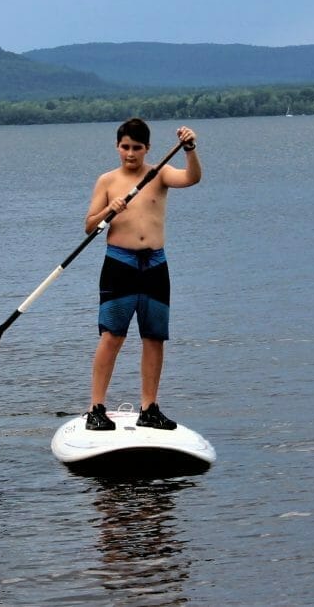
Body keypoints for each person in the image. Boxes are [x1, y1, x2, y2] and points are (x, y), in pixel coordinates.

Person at [83, 118, 202, 431]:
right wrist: (111, 211)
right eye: (125, 147)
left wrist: (189, 150)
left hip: (155, 266)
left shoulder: (159, 173)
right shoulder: (107, 181)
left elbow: (192, 178)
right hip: (119, 265)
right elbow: (89, 226)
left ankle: (149, 408)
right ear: (117, 147)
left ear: (147, 148)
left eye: (137, 147)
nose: (130, 153)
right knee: (112, 336)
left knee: (154, 338)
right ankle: (96, 407)